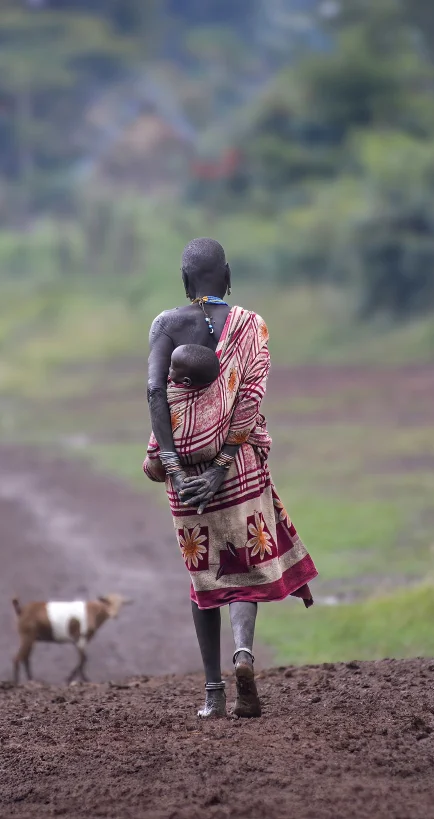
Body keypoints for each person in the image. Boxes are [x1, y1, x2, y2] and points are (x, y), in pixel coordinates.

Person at [143, 237, 318, 719]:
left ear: (183, 281)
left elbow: (156, 391)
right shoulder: (250, 325)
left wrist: (175, 465)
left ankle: (214, 693)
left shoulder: (166, 324)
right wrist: (223, 465)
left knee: (204, 578)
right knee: (242, 571)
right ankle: (244, 654)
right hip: (236, 464)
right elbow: (252, 399)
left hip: (186, 471)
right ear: (227, 276)